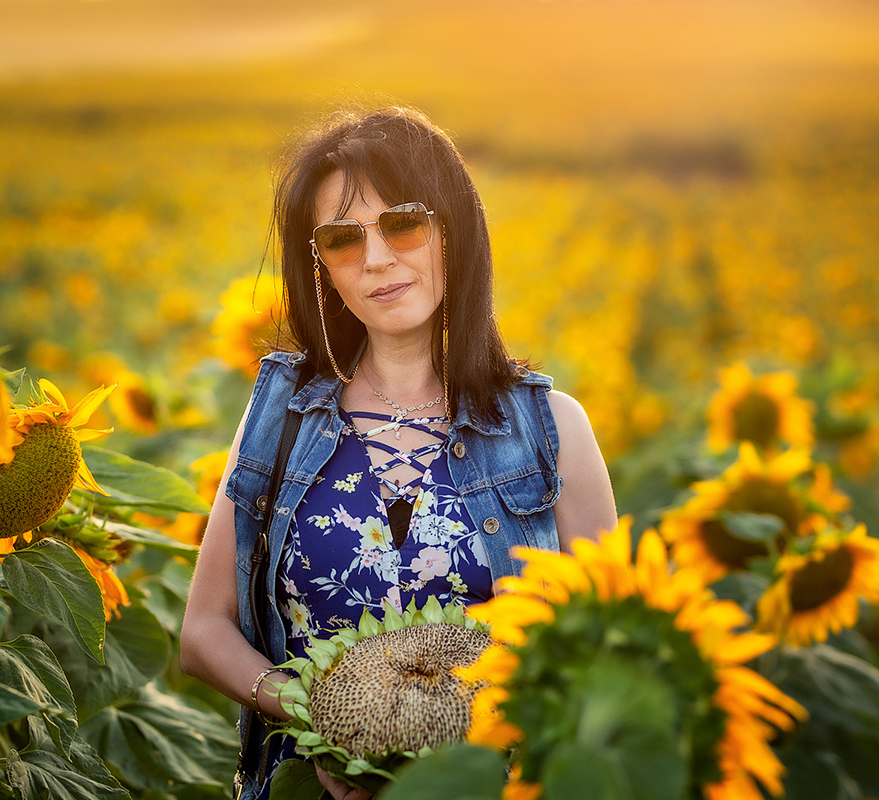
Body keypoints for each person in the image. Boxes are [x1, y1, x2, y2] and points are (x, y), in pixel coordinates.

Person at [180, 106, 617, 800]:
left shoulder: (552, 431)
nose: (378, 258)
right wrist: (323, 718)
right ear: (321, 265)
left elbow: (604, 651)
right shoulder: (279, 420)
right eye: (343, 238)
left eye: (404, 223)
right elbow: (203, 631)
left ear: (454, 229)